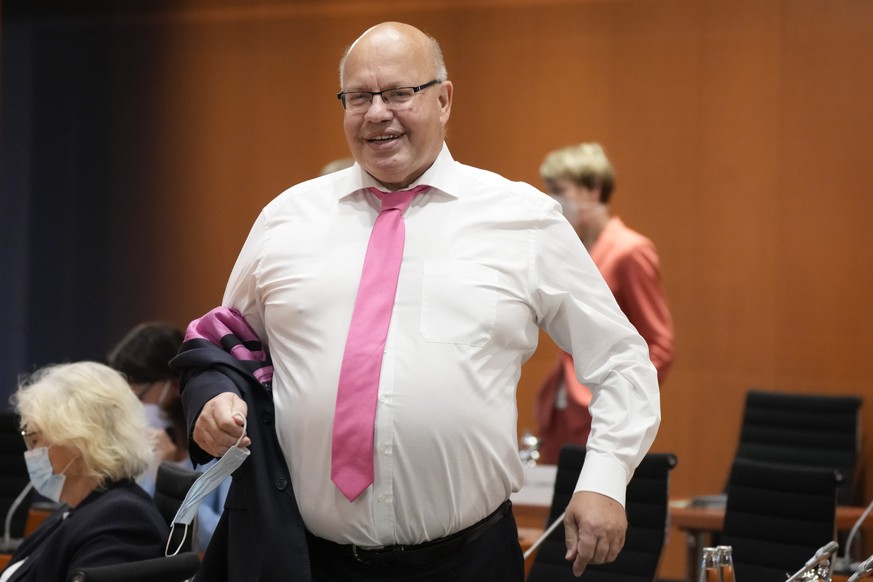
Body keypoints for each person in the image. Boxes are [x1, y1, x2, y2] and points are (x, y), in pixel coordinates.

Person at [176, 22, 660, 581]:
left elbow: (622, 361)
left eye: (399, 93)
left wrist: (604, 478)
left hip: (468, 561)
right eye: (359, 96)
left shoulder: (522, 219)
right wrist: (213, 399)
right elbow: (225, 347)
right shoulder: (287, 218)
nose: (377, 113)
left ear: (444, 99)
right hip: (312, 561)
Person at [534, 143, 675, 465]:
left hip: (598, 410)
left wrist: (619, 403)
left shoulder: (630, 250)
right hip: (562, 410)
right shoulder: (576, 247)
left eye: (559, 190)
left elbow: (661, 345)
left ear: (593, 189)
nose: (552, 199)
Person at [0, 362, 168, 581]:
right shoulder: (74, 509)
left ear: (77, 441)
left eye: (34, 439)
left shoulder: (122, 520)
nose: (30, 452)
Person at [107, 321, 229, 552]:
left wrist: (174, 478)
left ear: (173, 386)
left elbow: (219, 539)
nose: (132, 409)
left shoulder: (221, 440)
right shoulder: (146, 445)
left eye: (138, 397)